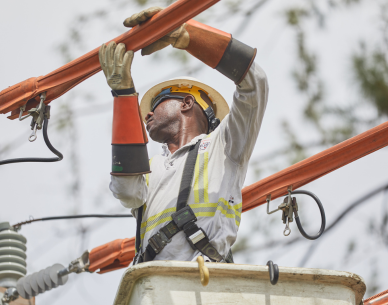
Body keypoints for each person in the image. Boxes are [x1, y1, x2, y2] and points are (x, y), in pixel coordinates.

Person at [99, 7, 269, 263]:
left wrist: (187, 33)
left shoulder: (224, 147)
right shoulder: (150, 168)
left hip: (201, 282)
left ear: (186, 103)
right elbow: (126, 191)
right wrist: (123, 95)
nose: (145, 115)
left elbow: (255, 83)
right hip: (153, 288)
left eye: (156, 104)